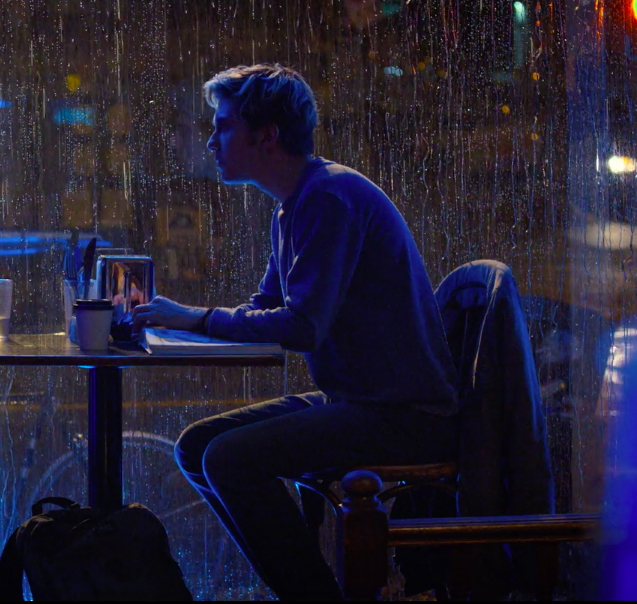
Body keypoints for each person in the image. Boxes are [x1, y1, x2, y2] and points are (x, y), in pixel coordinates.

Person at [131, 64, 459, 600]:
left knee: (227, 459)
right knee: (196, 447)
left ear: (267, 135)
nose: (211, 141)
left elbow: (303, 326)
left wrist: (194, 318)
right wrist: (189, 326)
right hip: (359, 400)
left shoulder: (327, 199)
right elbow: (266, 308)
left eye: (223, 126)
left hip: (405, 415)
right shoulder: (294, 206)